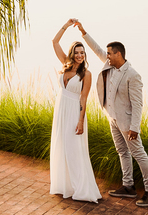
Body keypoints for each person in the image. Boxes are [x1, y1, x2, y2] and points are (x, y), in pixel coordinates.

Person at [73, 19, 148, 208]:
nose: (107, 56)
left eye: (110, 54)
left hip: (128, 123)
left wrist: (134, 127)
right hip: (112, 118)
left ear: (118, 54)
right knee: (122, 151)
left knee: (139, 154)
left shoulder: (132, 75)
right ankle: (128, 186)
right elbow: (96, 49)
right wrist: (83, 32)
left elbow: (138, 104)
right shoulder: (109, 65)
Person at [48, 20, 102, 203]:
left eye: (82, 53)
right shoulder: (65, 64)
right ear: (72, 54)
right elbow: (54, 42)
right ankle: (65, 185)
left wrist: (80, 121)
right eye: (76, 52)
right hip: (61, 110)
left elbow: (84, 98)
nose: (79, 55)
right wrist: (66, 25)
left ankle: (81, 187)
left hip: (74, 113)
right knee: (61, 145)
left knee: (74, 149)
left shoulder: (87, 74)